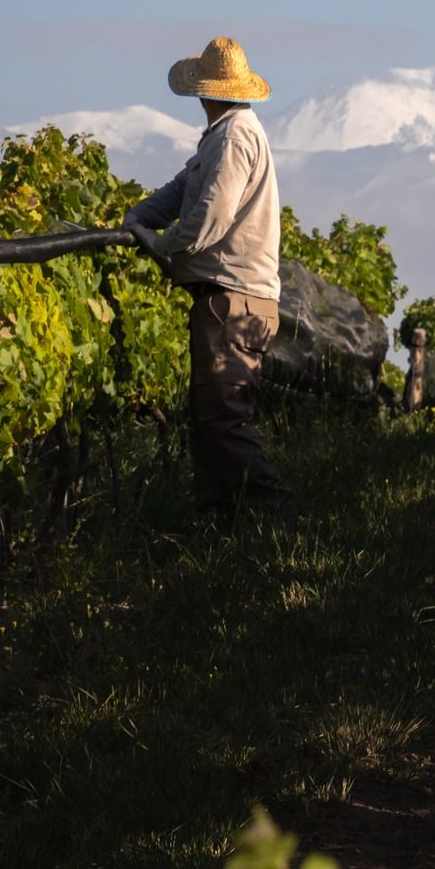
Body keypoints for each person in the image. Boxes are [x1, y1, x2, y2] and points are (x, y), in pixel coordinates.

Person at [123, 36, 291, 515]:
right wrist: (138, 217)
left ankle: (275, 516)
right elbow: (184, 187)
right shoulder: (225, 134)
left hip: (232, 299)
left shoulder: (235, 135)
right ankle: (223, 525)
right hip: (228, 298)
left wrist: (164, 243)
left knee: (223, 420)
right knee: (209, 421)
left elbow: (211, 214)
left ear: (204, 91)